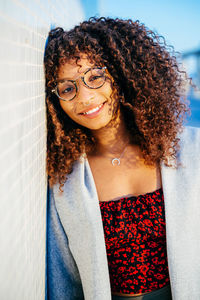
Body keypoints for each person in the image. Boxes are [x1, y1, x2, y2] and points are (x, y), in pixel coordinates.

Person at [44, 17, 200, 300]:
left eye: (95, 77)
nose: (86, 97)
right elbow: (63, 276)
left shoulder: (193, 148)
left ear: (120, 73)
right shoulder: (66, 179)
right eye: (68, 88)